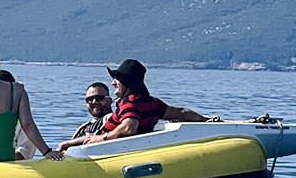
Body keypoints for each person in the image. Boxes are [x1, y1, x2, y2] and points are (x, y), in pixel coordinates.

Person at [91, 59, 222, 143]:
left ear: (127, 83)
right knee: (70, 142)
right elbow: (182, 112)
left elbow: (129, 128)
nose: (113, 82)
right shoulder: (152, 102)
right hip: (126, 143)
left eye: (117, 79)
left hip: (104, 145)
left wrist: (100, 138)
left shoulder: (129, 104)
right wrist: (204, 120)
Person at [56, 82, 114, 153]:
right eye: (90, 99)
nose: (94, 102)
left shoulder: (112, 118)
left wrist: (66, 143)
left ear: (109, 100)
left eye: (99, 98)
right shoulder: (82, 127)